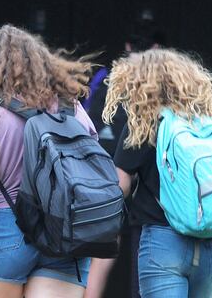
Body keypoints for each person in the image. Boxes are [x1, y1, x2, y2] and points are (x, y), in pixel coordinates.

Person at [0, 24, 99, 298]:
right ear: (40, 62)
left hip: (7, 227)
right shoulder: (70, 107)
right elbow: (94, 160)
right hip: (64, 229)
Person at [102, 49, 212, 298]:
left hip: (164, 241)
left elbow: (120, 185)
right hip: (211, 247)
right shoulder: (210, 123)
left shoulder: (146, 123)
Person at [84, 20, 164, 298]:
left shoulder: (106, 79)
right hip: (145, 181)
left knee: (101, 251)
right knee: (145, 249)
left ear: (127, 46)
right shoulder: (160, 84)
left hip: (104, 175)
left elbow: (86, 123)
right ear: (157, 47)